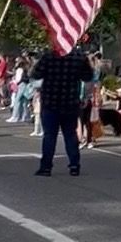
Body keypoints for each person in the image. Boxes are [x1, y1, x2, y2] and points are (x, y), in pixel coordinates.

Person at [31, 46, 93, 175]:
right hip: (70, 102)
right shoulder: (79, 57)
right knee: (70, 135)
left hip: (50, 102)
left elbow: (36, 74)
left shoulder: (48, 56)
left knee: (49, 136)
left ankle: (46, 167)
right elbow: (88, 76)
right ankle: (74, 165)